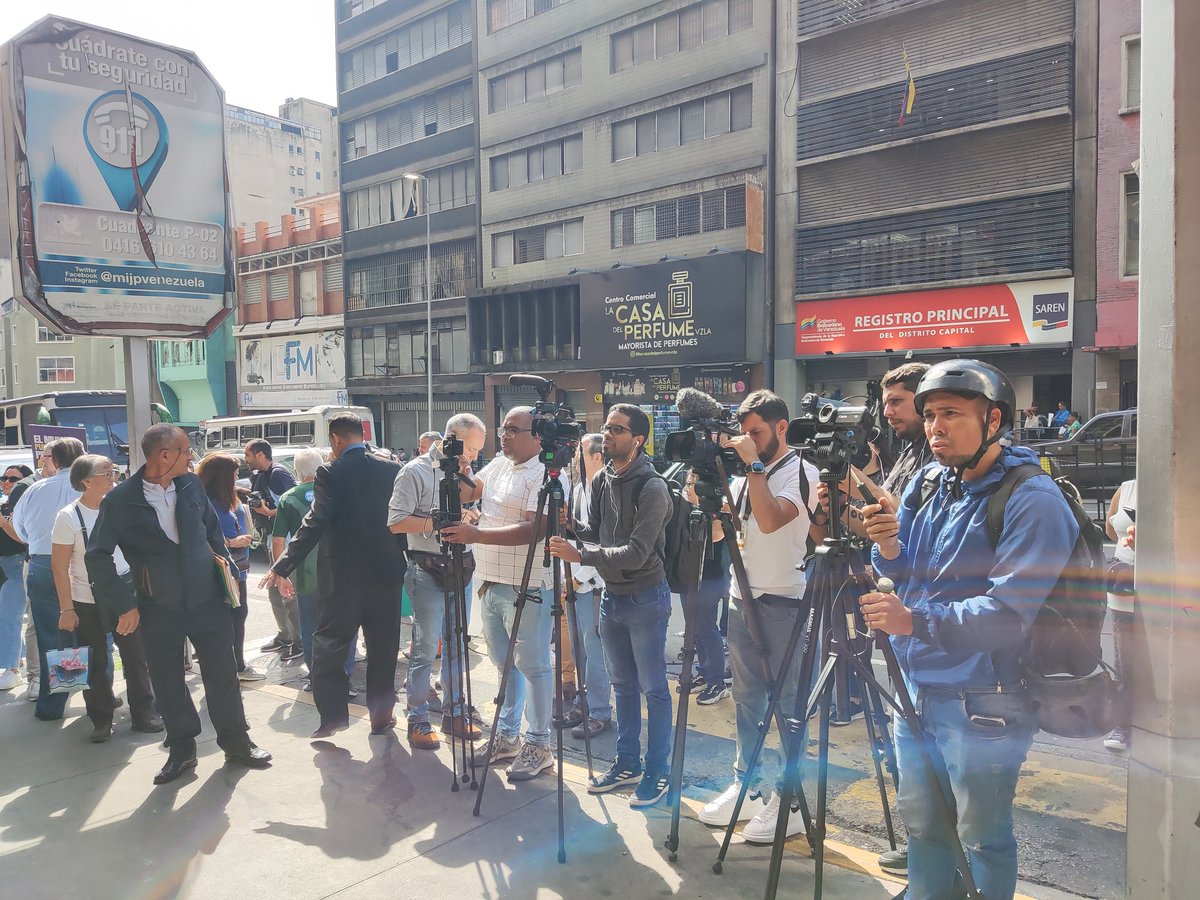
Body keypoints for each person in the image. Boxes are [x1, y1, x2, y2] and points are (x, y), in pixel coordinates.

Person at [861, 359, 1078, 900]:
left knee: (980, 836)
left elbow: (1007, 614)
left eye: (953, 414)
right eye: (930, 414)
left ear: (994, 419)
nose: (935, 426)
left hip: (986, 700)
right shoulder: (929, 481)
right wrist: (887, 546)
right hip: (917, 688)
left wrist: (913, 620)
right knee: (924, 827)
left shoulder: (1033, 499)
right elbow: (901, 569)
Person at [86, 425, 272, 785]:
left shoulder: (192, 487)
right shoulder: (120, 500)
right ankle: (183, 751)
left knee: (222, 675)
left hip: (208, 600)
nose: (192, 456)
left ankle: (237, 743)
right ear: (164, 455)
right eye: (186, 450)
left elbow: (211, 531)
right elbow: (98, 556)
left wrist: (225, 569)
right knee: (168, 681)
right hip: (157, 606)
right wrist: (124, 604)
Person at [692, 390, 820, 839]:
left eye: (756, 433)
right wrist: (705, 501)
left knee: (787, 706)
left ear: (781, 428)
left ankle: (791, 800)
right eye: (743, 433)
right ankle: (748, 785)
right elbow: (736, 529)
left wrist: (751, 464)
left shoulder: (802, 472)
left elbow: (770, 521)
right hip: (740, 598)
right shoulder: (749, 476)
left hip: (782, 602)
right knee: (747, 701)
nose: (747, 440)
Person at [550, 404, 674, 807]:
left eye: (617, 430)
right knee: (622, 686)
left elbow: (637, 552)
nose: (607, 435)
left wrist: (580, 556)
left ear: (637, 439)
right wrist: (572, 525)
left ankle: (657, 771)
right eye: (605, 427)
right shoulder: (602, 478)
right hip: (612, 597)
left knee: (654, 688)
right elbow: (598, 533)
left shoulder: (652, 488)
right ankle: (627, 763)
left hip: (645, 597)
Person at [262, 414, 406, 738]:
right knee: (384, 648)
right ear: (362, 434)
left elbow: (314, 523)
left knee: (329, 645)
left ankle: (333, 718)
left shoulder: (331, 471)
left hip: (343, 577)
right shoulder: (391, 468)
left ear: (336, 440)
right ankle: (381, 717)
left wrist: (282, 565)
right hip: (387, 573)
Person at [440, 407, 558, 783]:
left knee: (534, 666)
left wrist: (477, 535)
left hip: (527, 585)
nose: (504, 436)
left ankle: (539, 744)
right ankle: (507, 736)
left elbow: (534, 528)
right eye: (502, 429)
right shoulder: (499, 465)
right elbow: (473, 490)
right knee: (504, 664)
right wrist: (455, 470)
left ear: (537, 435)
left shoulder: (545, 473)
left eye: (513, 430)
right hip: (490, 581)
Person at [388, 414, 486, 750]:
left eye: (476, 452)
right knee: (427, 647)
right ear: (451, 439)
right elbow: (396, 522)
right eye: (469, 450)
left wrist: (472, 517)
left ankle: (455, 711)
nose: (472, 458)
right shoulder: (414, 471)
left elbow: (473, 509)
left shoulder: (466, 475)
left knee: (458, 643)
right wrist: (437, 521)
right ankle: (417, 717)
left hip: (462, 566)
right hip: (427, 567)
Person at [51, 454, 161, 741]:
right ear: (86, 481)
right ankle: (100, 719)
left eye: (114, 471)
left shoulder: (120, 507)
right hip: (86, 600)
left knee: (136, 657)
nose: (114, 476)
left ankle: (144, 713)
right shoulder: (68, 517)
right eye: (107, 473)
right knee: (94, 660)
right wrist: (66, 609)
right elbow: (59, 567)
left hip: (123, 592)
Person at [271, 448, 357, 696]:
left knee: (311, 626)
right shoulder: (338, 491)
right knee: (344, 626)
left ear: (297, 470)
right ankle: (343, 676)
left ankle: (316, 677)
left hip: (306, 575)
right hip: (340, 572)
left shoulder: (288, 498)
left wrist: (282, 574)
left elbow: (279, 542)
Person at [14, 438, 86, 721]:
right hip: (84, 564)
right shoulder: (92, 488)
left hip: (43, 563)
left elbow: (21, 531)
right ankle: (101, 698)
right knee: (94, 631)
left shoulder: (35, 489)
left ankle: (54, 705)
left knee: (51, 636)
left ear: (53, 460)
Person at [556, 433, 615, 737]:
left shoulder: (605, 491)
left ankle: (601, 711)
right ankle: (585, 703)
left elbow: (603, 543)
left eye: (580, 453)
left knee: (595, 652)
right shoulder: (579, 489)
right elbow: (574, 537)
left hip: (593, 585)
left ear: (597, 457)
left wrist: (576, 579)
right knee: (580, 650)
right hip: (576, 582)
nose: (575, 458)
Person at [196, 453, 263, 682]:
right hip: (219, 571)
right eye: (234, 472)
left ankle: (237, 664)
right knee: (230, 617)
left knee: (239, 614)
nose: (238, 476)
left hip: (238, 569)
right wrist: (231, 542)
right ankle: (234, 666)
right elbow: (201, 535)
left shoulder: (230, 498)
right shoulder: (205, 502)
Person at [244, 439, 300, 661]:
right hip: (272, 539)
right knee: (274, 590)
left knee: (287, 592)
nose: (246, 459)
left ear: (259, 455)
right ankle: (285, 636)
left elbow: (291, 505)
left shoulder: (279, 474)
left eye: (248, 455)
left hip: (284, 542)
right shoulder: (262, 476)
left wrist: (269, 512)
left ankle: (299, 641)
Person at [1102, 479, 1137, 752]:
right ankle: (1124, 723)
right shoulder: (1125, 488)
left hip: (1165, 586)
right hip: (1124, 584)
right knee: (1124, 660)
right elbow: (1111, 532)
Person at [0, 464, 33, 692]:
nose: (7, 482)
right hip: (5, 567)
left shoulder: (25, 505)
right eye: (4, 477)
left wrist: (3, 522)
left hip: (19, 565)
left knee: (9, 616)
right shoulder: (5, 505)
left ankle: (11, 669)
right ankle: (18, 663)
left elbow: (24, 538)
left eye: (13, 478)